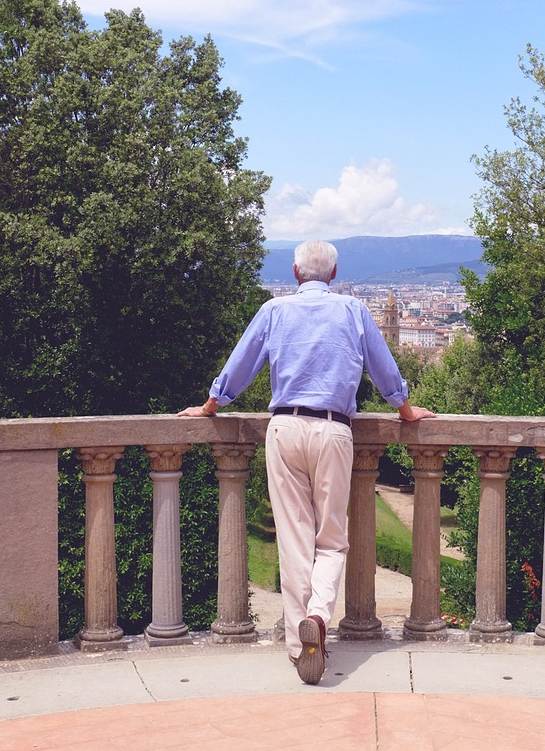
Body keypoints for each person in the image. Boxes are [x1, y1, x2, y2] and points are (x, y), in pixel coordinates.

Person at [179, 239, 435, 684]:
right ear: (334, 276)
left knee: (294, 540)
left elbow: (240, 366)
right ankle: (318, 617)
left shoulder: (274, 312)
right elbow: (383, 367)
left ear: (296, 273)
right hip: (334, 428)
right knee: (332, 540)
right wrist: (405, 409)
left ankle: (301, 648)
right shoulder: (353, 311)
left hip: (285, 428)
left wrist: (210, 406)